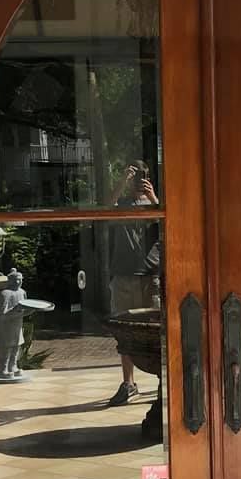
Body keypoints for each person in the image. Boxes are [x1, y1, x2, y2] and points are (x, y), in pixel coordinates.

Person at [107, 160, 160, 406]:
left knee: (156, 332)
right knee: (124, 331)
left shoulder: (155, 204)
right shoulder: (122, 204)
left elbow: (170, 225)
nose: (140, 179)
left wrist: (153, 197)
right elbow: (105, 207)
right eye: (135, 174)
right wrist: (121, 182)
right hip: (123, 275)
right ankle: (128, 383)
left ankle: (163, 384)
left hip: (150, 276)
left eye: (143, 175)